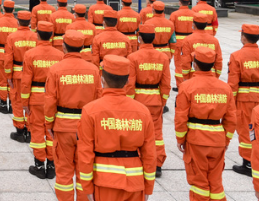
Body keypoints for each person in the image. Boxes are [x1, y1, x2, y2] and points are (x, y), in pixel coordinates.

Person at [78, 55, 156, 201]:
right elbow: (150, 154)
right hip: (135, 182)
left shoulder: (90, 110)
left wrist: (87, 187)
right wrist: (148, 187)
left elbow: (85, 153)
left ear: (102, 79)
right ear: (127, 81)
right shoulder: (143, 111)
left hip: (104, 182)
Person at [44, 30, 102, 201]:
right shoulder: (93, 70)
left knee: (63, 171)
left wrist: (49, 125)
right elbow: (100, 99)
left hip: (63, 127)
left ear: (63, 47)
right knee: (85, 170)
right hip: (86, 127)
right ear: (83, 47)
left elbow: (50, 101)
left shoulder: (56, 70)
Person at [175, 47, 236, 201]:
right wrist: (226, 141)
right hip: (217, 140)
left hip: (196, 141)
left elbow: (181, 118)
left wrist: (181, 139)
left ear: (194, 64)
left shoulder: (187, 86)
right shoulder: (225, 88)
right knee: (216, 183)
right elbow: (231, 119)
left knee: (199, 183)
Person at [126, 24, 171, 178]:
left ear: (139, 37)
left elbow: (130, 84)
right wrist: (163, 101)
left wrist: (129, 102)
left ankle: (140, 160)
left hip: (138, 101)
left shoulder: (133, 57)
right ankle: (157, 164)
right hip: (155, 101)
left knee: (138, 132)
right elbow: (166, 84)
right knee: (156, 134)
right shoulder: (163, 57)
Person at [21, 21, 62, 179]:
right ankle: (52, 165)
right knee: (51, 131)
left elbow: (26, 82)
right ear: (51, 35)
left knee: (37, 130)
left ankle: (39, 164)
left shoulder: (30, 54)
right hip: (53, 99)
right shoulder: (59, 55)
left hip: (36, 99)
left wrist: (25, 103)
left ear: (37, 34)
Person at [227, 24, 259, 176]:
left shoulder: (236, 56)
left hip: (245, 98)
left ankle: (248, 163)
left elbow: (233, 83)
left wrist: (229, 105)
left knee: (246, 130)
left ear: (244, 37)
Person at [4, 11, 37, 143]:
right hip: (32, 75)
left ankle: (20, 130)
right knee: (30, 102)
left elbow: (8, 59)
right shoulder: (35, 37)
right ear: (29, 22)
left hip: (17, 75)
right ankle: (30, 130)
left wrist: (8, 76)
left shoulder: (12, 37)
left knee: (17, 101)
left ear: (18, 21)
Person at [0, 0, 19, 114]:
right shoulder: (17, 23)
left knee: (2, 80)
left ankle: (3, 104)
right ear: (13, 10)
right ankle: (12, 104)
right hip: (14, 56)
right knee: (12, 81)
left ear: (3, 9)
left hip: (1, 55)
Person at [180, 13, 222, 81]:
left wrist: (185, 77)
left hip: (193, 76)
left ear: (193, 24)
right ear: (206, 25)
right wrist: (216, 76)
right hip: (211, 76)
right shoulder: (214, 41)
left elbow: (185, 61)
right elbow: (218, 60)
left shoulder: (187, 40)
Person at [172, 0, 196, 90]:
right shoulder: (194, 14)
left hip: (179, 42)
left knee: (179, 64)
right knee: (192, 62)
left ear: (179, 2)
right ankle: (191, 83)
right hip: (192, 41)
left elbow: (171, 30)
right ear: (189, 2)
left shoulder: (175, 14)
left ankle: (180, 85)